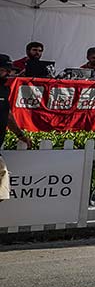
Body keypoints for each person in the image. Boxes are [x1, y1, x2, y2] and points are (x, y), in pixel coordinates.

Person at [0, 54, 32, 203]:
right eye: (7, 70)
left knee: (2, 184)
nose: (10, 74)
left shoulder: (4, 89)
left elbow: (7, 115)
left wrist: (20, 134)